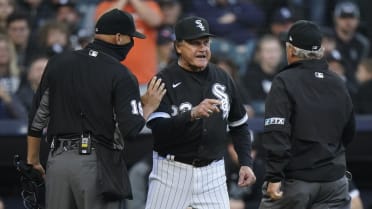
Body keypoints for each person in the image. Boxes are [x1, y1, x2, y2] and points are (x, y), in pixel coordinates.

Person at [26, 9, 166, 209]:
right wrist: (149, 106)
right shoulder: (121, 74)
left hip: (57, 162)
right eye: (130, 37)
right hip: (96, 163)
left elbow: (37, 115)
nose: (132, 43)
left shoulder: (58, 62)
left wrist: (33, 159)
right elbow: (131, 130)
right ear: (118, 38)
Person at [145, 16, 256, 209]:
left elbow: (239, 126)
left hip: (213, 174)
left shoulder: (223, 77)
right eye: (195, 43)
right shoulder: (163, 80)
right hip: (171, 173)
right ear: (178, 47)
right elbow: (159, 130)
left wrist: (245, 162)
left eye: (206, 43)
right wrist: (191, 114)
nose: (202, 48)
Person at [259, 20, 355, 209]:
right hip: (334, 182)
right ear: (319, 50)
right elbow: (349, 131)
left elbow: (276, 132)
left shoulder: (284, 81)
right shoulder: (337, 82)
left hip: (297, 182)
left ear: (291, 50)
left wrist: (274, 176)